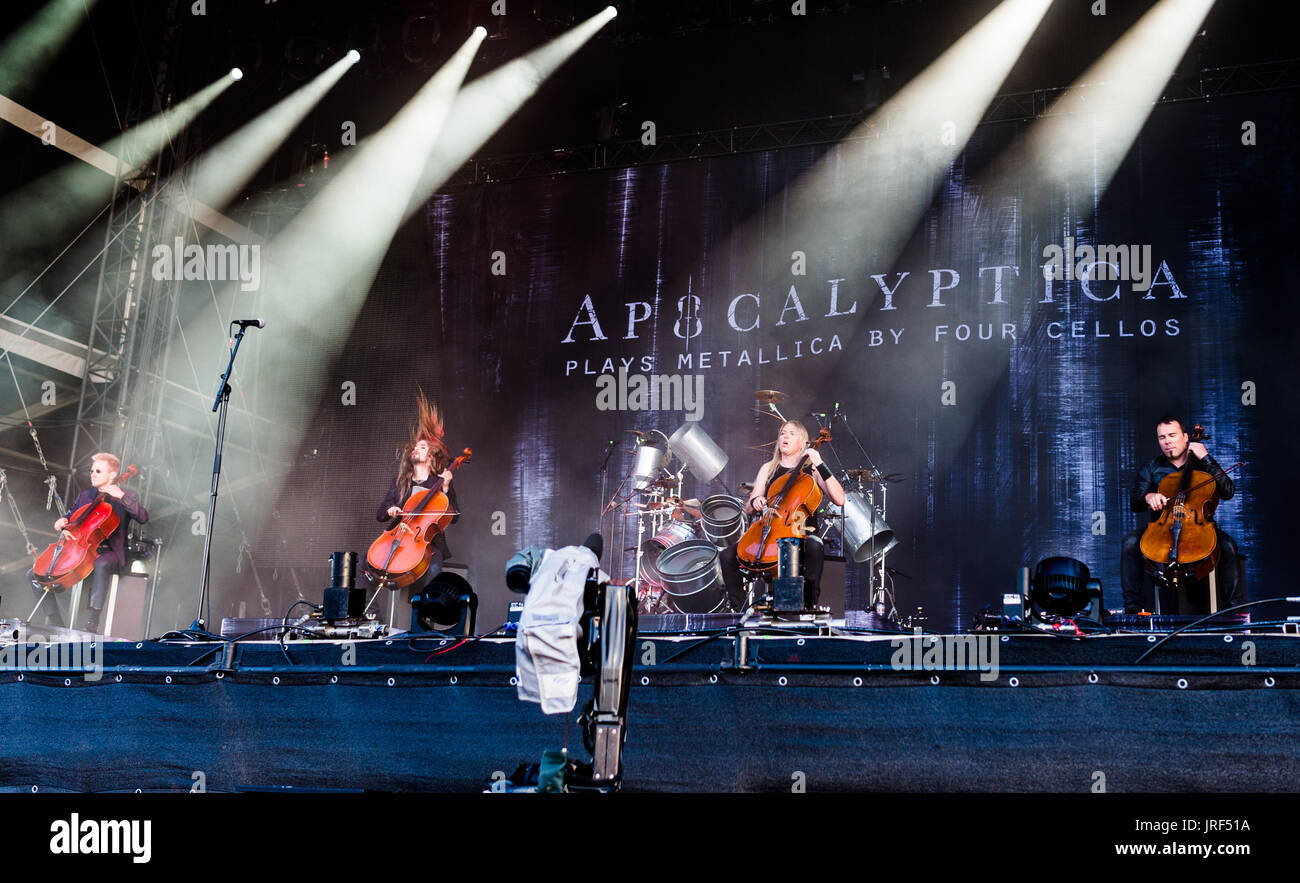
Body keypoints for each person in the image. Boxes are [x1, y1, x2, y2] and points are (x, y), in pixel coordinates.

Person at [719, 420, 846, 610]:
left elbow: (840, 499)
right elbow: (749, 507)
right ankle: (740, 610)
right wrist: (756, 501)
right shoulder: (768, 468)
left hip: (800, 532)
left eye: (791, 433)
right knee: (727, 556)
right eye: (782, 433)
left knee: (815, 546)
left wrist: (820, 463)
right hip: (769, 530)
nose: (785, 436)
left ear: (803, 442)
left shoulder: (812, 469)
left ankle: (809, 605)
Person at [1121, 416, 1240, 613]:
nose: (1167, 441)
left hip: (1199, 527)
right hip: (1162, 528)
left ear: (1186, 438)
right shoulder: (1151, 467)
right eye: (1162, 437)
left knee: (1228, 546)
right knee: (1129, 543)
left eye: (1172, 435)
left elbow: (1228, 492)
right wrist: (1149, 496)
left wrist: (1206, 457)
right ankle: (1133, 609)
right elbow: (1135, 502)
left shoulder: (1203, 464)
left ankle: (1232, 611)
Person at [28, 452, 148, 633]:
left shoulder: (126, 495)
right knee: (34, 574)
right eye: (92, 471)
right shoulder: (86, 495)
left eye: (98, 471)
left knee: (101, 563)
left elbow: (143, 517)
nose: (92, 474)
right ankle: (55, 622)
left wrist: (120, 495)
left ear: (112, 475)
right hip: (79, 548)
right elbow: (72, 515)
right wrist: (63, 521)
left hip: (110, 552)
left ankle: (93, 621)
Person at [369, 391, 460, 607]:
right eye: (415, 447)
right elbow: (380, 513)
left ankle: (423, 620)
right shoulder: (400, 482)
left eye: (422, 447)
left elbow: (454, 517)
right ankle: (373, 614)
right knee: (368, 563)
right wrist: (391, 509)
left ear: (431, 456)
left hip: (426, 543)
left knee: (434, 570)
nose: (415, 449)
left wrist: (445, 488)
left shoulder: (439, 483)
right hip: (398, 537)